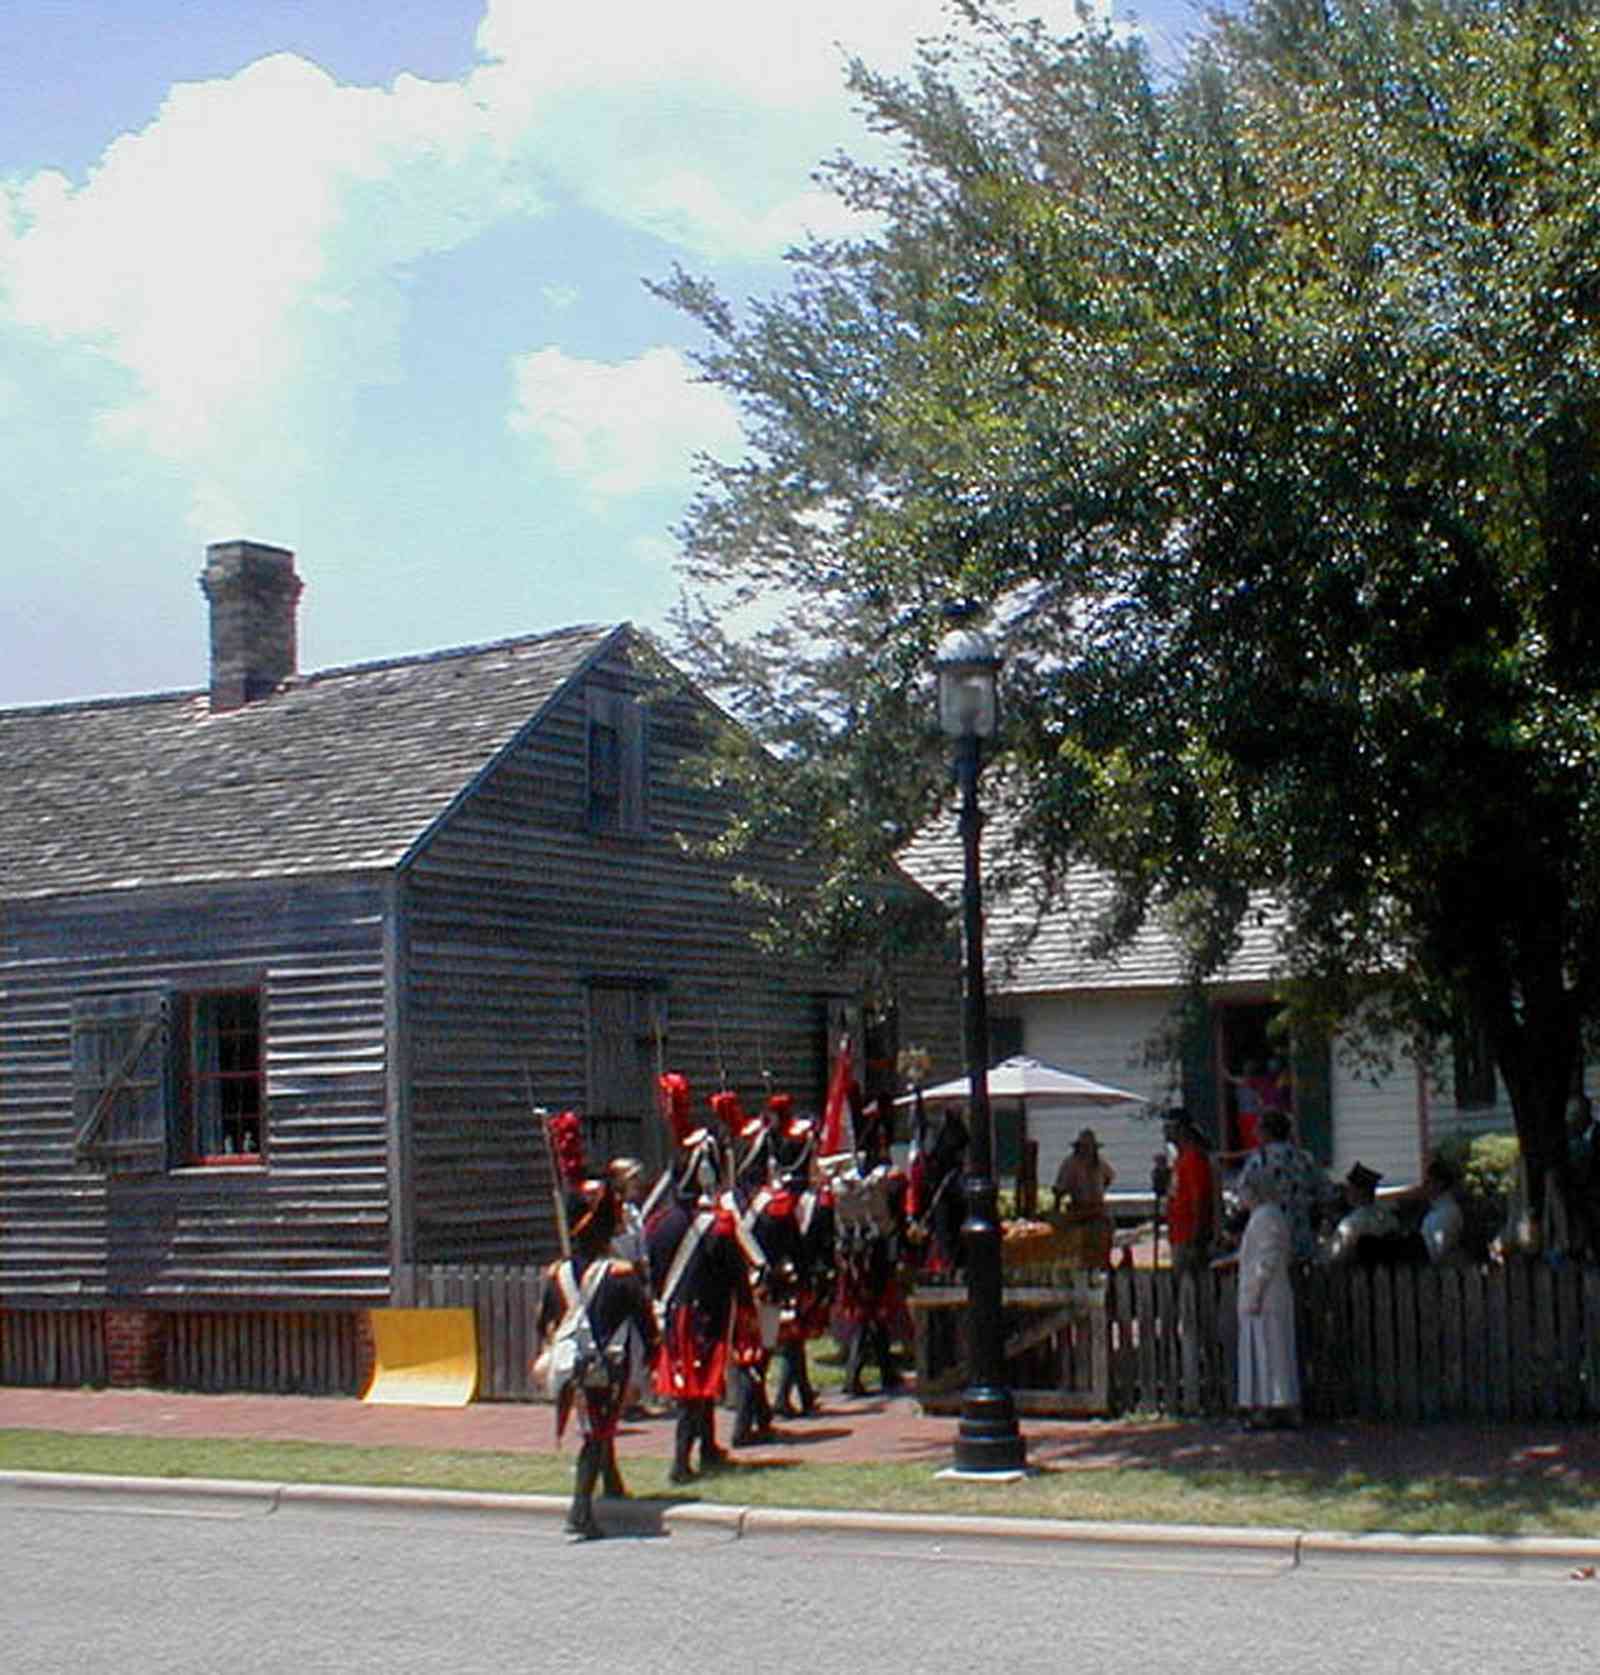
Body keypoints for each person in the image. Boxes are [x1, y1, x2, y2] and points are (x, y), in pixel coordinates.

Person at [646, 1074, 759, 1484]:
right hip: (704, 1316)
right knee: (692, 1391)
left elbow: (655, 1274)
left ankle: (708, 1448)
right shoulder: (717, 1227)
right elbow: (734, 1275)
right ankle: (680, 1461)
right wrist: (747, 1310)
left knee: (699, 1386)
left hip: (675, 1313)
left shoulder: (657, 1224)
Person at [536, 1178, 659, 1540]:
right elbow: (643, 1318)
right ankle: (580, 1511)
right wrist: (653, 1350)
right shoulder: (619, 1273)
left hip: (570, 1360)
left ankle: (613, 1482)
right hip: (605, 1364)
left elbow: (542, 1320)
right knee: (596, 1431)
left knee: (598, 1425)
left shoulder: (556, 1273)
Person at [1232, 1169, 1301, 1429]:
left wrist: (1257, 1291)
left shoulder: (1266, 1216)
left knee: (1268, 1349)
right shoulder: (1266, 1216)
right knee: (1268, 1349)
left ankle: (1271, 1406)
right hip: (1266, 1295)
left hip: (1266, 1297)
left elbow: (1268, 1257)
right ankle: (1270, 1404)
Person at [1234, 1109, 1326, 1263]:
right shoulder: (1305, 1158)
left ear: (1267, 1132)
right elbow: (1324, 1191)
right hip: (1301, 1234)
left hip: (1270, 1236)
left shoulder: (1258, 1161)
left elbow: (1244, 1197)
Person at [1053, 1127, 1117, 1267]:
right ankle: (1083, 1266)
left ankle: (1103, 1262)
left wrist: (1099, 1192)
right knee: (1080, 1240)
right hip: (1079, 1208)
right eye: (1084, 1147)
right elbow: (1059, 1189)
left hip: (1097, 1209)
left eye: (1090, 1147)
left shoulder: (1100, 1163)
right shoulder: (1070, 1163)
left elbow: (1109, 1177)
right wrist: (1057, 1211)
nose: (1088, 1151)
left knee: (1106, 1229)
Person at [1165, 1111, 1216, 1279]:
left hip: (1189, 1235)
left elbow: (1200, 1199)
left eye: (1170, 1127)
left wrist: (1197, 1236)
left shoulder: (1193, 1158)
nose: (1165, 1131)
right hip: (1178, 1232)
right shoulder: (1180, 1159)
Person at [1323, 1162, 1405, 1264]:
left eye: (1350, 1188)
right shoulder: (1389, 1217)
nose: (1347, 1193)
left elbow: (1336, 1256)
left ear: (1359, 1191)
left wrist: (1326, 1237)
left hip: (1358, 1276)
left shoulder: (1351, 1224)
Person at [1418, 1154, 1467, 1265]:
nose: (1424, 1187)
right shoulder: (1436, 1211)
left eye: (1428, 1182)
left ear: (1440, 1184)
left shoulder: (1447, 1213)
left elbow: (1437, 1252)